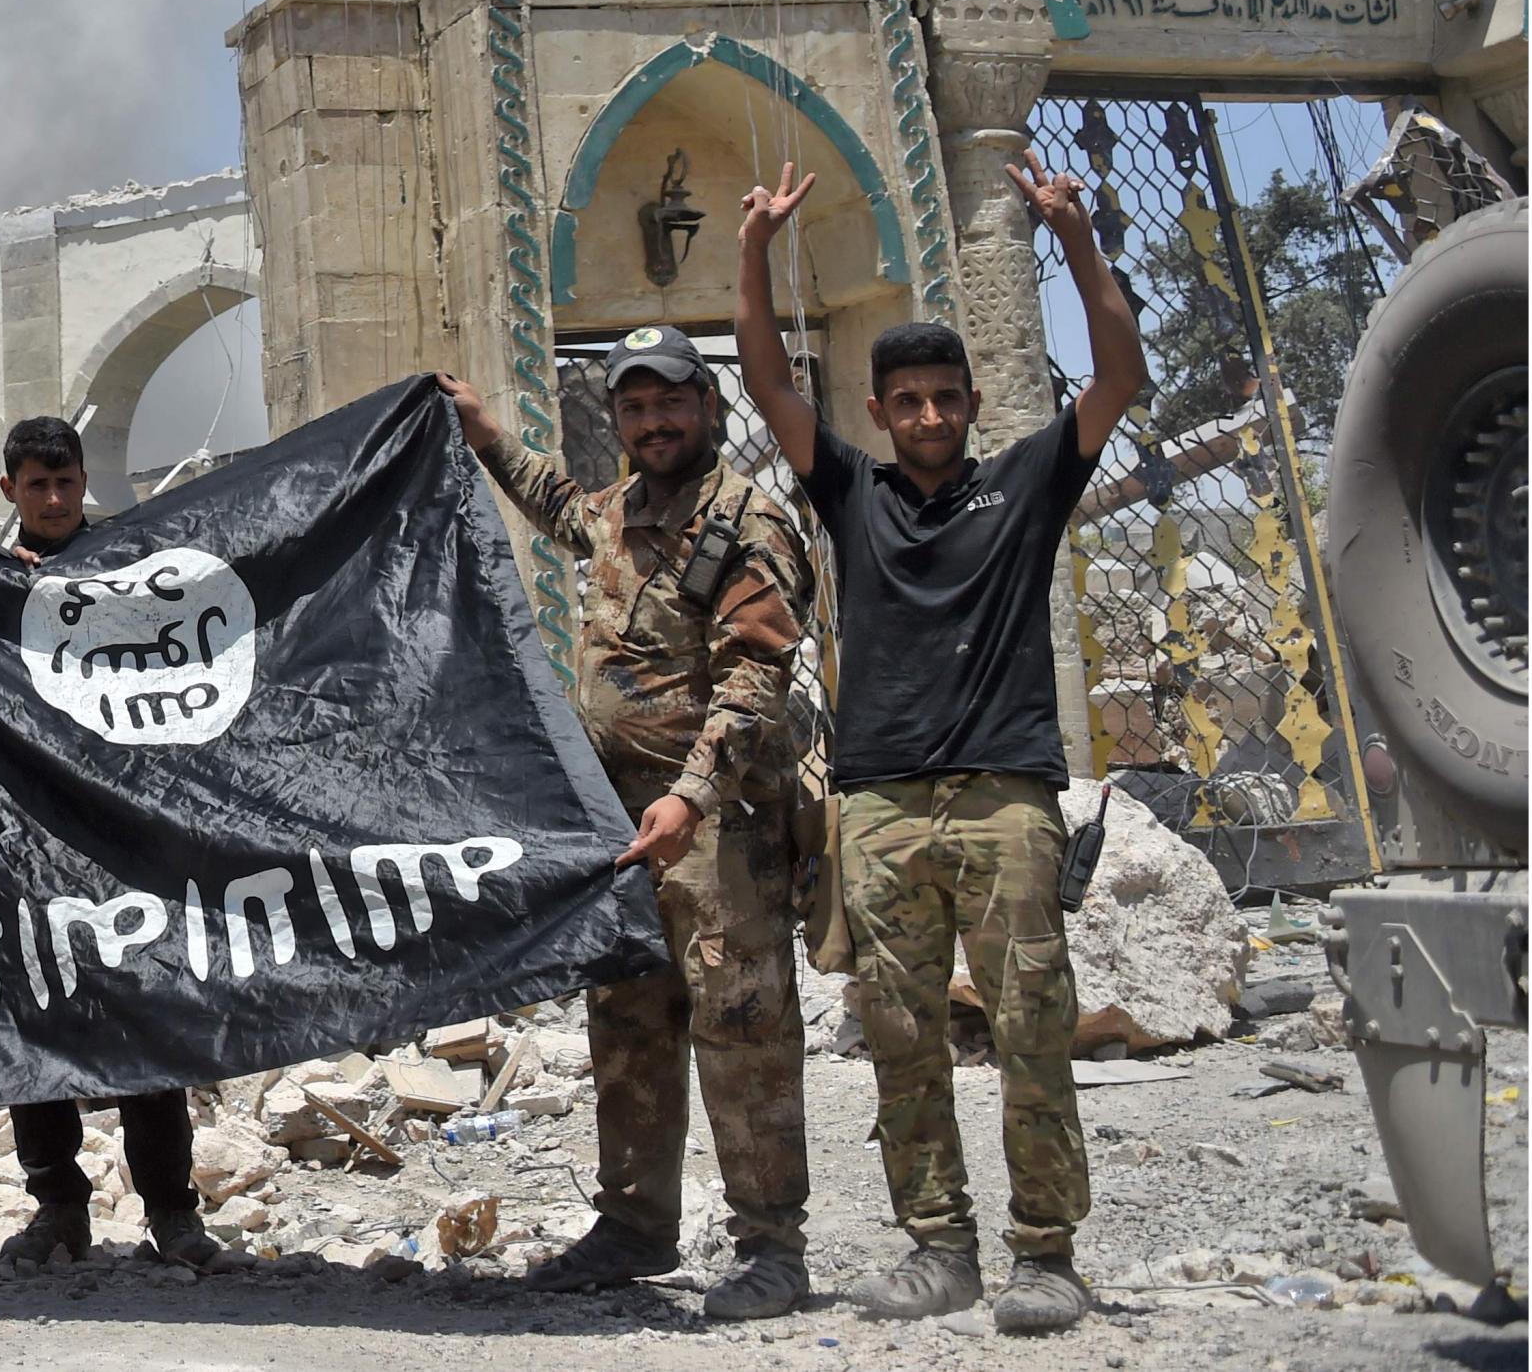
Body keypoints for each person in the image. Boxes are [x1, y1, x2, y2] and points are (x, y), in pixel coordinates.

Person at [732, 155, 1147, 1335]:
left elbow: (1119, 373)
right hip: (880, 808)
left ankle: (1046, 1254)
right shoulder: (851, 495)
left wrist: (1072, 235)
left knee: (1028, 1028)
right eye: (904, 401)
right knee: (901, 1039)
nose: (925, 417)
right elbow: (764, 383)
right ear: (878, 413)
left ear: (970, 406)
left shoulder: (1024, 484)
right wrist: (757, 251)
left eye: (943, 399)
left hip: (1005, 800)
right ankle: (937, 1247)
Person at [438, 337, 815, 1320]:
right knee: (629, 1025)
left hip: (716, 825)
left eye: (670, 404)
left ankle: (773, 1246)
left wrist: (690, 792)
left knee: (741, 1033)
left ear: (708, 404)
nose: (653, 422)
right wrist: (483, 437)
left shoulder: (747, 520)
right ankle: (633, 1227)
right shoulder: (620, 512)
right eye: (635, 408)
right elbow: (560, 506)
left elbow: (756, 678)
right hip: (625, 829)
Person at [0, 415, 230, 1273]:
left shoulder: (132, 569)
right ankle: (58, 1204)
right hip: (26, 837)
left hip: (126, 836)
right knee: (36, 1011)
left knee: (143, 1012)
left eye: (66, 483)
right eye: (37, 485)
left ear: (83, 481)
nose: (54, 500)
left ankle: (171, 1208)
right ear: (10, 488)